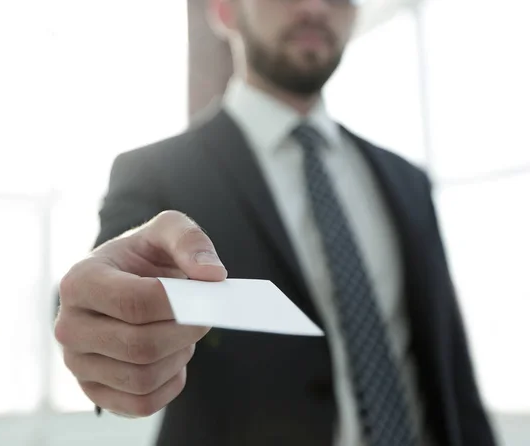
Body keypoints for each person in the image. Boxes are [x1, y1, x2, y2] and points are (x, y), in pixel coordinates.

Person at [54, 1, 498, 445]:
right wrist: (100, 324)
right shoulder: (155, 172)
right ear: (226, 10)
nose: (315, 7)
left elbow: (452, 375)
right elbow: (102, 301)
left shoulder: (407, 181)